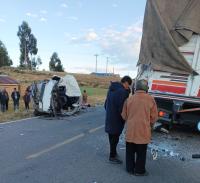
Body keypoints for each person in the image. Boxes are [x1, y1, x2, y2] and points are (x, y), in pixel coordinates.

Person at [121, 79, 158, 176]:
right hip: (143, 131)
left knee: (129, 152)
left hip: (131, 131)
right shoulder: (151, 99)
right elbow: (154, 118)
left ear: (136, 88)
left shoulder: (129, 99)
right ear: (146, 88)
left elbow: (124, 116)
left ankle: (129, 169)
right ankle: (139, 171)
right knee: (141, 153)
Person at [105, 76, 132, 164]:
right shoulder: (122, 92)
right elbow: (122, 107)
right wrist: (125, 117)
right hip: (117, 119)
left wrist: (110, 112)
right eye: (129, 85)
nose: (129, 87)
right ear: (126, 83)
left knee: (111, 137)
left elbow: (105, 105)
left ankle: (113, 153)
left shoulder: (111, 89)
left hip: (109, 117)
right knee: (115, 138)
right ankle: (112, 156)